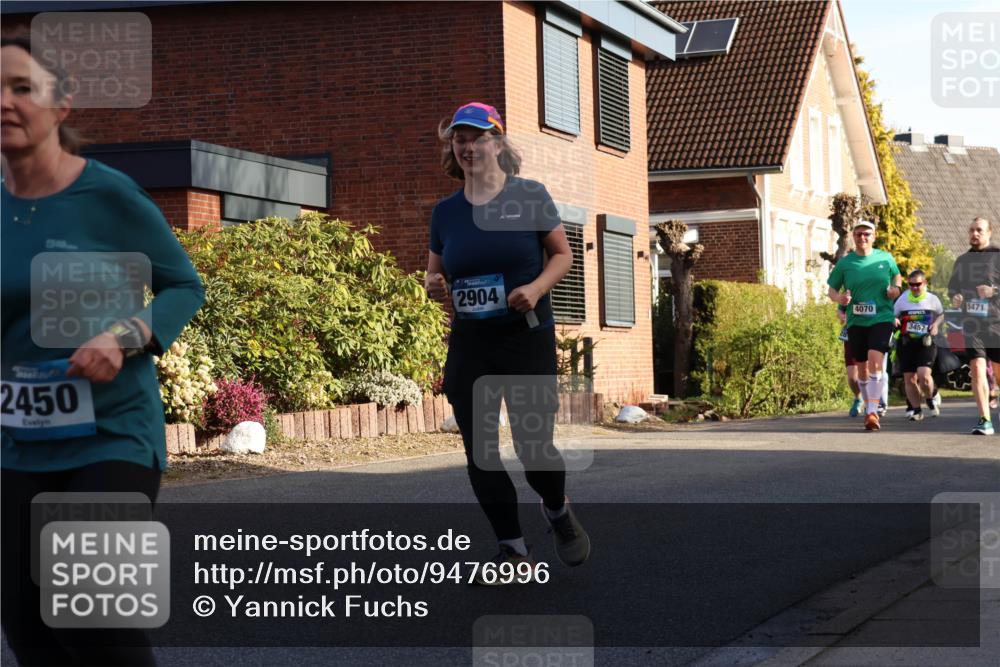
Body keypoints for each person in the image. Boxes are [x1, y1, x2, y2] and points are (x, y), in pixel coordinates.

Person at [1, 36, 204, 665]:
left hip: (112, 432)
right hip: (18, 441)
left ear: (61, 107)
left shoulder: (107, 194)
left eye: (21, 88)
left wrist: (124, 336)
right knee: (27, 627)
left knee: (89, 619)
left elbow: (183, 285)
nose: (4, 102)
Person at [425, 102, 589, 584]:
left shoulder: (531, 196)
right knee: (480, 449)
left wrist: (536, 288)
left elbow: (563, 255)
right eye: (459, 139)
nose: (468, 146)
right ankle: (512, 547)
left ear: (498, 142)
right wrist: (433, 284)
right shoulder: (446, 212)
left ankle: (557, 511)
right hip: (472, 340)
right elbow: (435, 271)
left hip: (525, 337)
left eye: (477, 137)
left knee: (534, 447)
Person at [827, 220, 902, 431]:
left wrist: (895, 289)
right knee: (861, 368)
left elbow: (897, 276)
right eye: (859, 234)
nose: (862, 238)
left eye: (866, 234)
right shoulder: (845, 263)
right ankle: (868, 405)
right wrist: (840, 298)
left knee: (875, 360)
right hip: (857, 321)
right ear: (853, 236)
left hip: (882, 317)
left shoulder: (885, 258)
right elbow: (832, 290)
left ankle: (872, 411)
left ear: (874, 236)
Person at [948, 216, 1000, 435]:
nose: (974, 234)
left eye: (979, 230)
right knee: (977, 369)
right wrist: (956, 297)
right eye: (971, 230)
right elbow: (953, 289)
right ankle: (984, 419)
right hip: (972, 324)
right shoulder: (962, 261)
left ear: (989, 232)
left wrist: (994, 291)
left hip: (997, 322)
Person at [893, 269, 944, 421]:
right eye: (911, 284)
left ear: (925, 283)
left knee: (924, 377)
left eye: (918, 284)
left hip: (926, 342)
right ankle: (916, 410)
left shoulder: (932, 299)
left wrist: (936, 324)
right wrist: (894, 320)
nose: (914, 287)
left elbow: (942, 314)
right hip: (907, 342)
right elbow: (893, 314)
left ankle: (930, 396)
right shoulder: (902, 299)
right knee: (909, 379)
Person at [838, 306, 864, 417]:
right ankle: (859, 398)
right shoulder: (848, 292)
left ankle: (873, 402)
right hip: (850, 336)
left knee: (868, 372)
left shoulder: (873, 290)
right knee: (852, 378)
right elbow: (840, 309)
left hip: (868, 334)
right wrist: (842, 316)